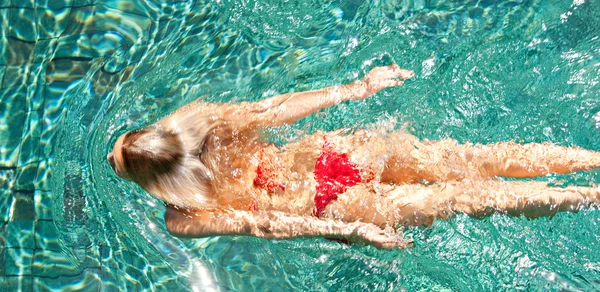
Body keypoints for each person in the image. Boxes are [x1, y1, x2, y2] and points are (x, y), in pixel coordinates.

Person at [107, 65, 600, 249]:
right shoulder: (204, 122)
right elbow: (274, 110)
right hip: (332, 154)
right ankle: (592, 163)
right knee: (476, 159)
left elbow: (262, 226)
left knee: (465, 198)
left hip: (330, 207)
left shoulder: (182, 217)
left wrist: (348, 231)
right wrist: (354, 89)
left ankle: (592, 196)